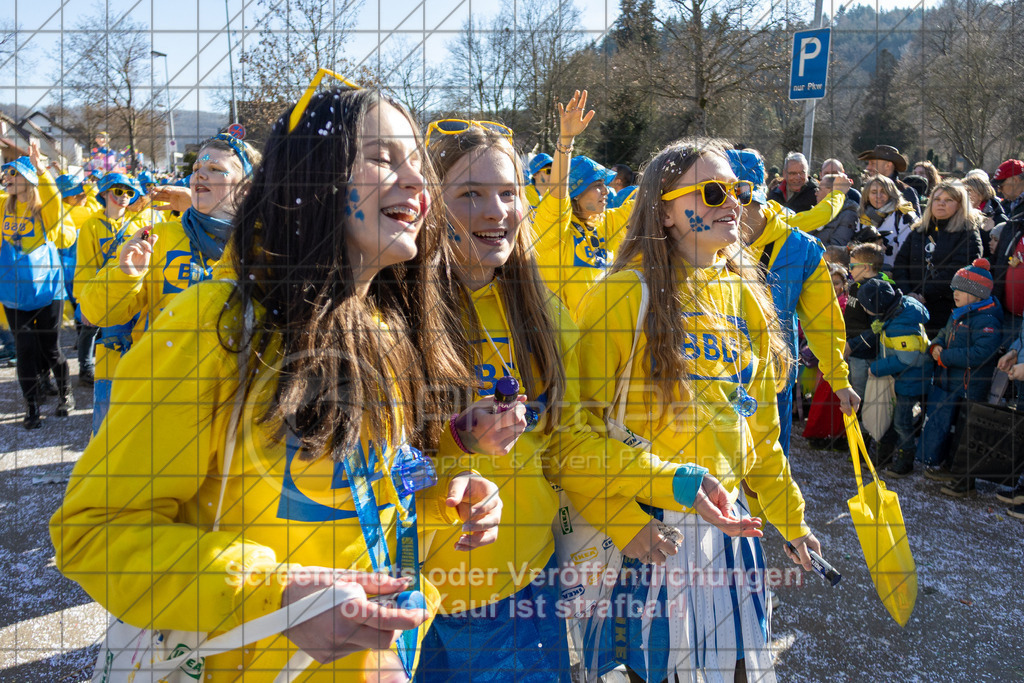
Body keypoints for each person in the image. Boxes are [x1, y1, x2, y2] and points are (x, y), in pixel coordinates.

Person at [53, 83, 506, 682]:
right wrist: (279, 597)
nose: (419, 186)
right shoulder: (211, 330)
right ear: (312, 177)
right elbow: (93, 532)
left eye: (417, 165)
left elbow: (351, 505)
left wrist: (442, 499)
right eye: (382, 158)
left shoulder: (387, 330)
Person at [418, 93, 752, 682]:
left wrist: (673, 479)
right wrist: (454, 451)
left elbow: (570, 442)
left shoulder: (543, 315)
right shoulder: (388, 318)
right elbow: (355, 472)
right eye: (470, 193)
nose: (495, 211)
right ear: (426, 202)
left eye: (507, 193)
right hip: (409, 601)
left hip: (522, 593)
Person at [577, 137, 821, 683]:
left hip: (730, 538)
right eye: (712, 191)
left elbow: (759, 433)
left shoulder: (744, 299)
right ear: (664, 210)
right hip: (648, 539)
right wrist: (622, 521)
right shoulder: (621, 297)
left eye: (737, 190)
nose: (733, 203)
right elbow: (571, 431)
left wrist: (792, 520)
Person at [79, 133, 261, 432]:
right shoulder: (157, 237)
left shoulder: (261, 246)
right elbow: (96, 313)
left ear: (247, 189)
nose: (200, 172)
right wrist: (126, 274)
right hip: (160, 398)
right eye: (196, 169)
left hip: (233, 403)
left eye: (216, 169)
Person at [730, 147, 860, 455]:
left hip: (772, 379)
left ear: (751, 195)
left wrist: (839, 378)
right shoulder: (700, 242)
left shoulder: (800, 247)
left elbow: (822, 321)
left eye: (730, 198)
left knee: (767, 477)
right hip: (711, 375)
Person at [0, 143, 77, 428]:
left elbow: (55, 202)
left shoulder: (43, 208)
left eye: (13, 173)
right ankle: (31, 406)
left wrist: (42, 170)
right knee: (24, 349)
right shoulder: (2, 205)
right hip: (15, 292)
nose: (6, 177)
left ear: (28, 180)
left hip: (47, 290)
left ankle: (65, 394)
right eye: (5, 172)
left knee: (51, 349)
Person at [533, 100, 634, 314]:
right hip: (565, 343)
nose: (606, 191)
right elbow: (558, 192)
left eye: (604, 185)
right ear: (576, 193)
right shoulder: (554, 230)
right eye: (597, 186)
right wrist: (566, 140)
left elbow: (644, 203)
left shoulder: (605, 222)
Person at [914, 259, 1003, 494]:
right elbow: (943, 333)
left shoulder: (988, 320)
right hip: (948, 383)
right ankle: (944, 465)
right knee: (945, 426)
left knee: (963, 432)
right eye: (955, 289)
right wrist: (935, 346)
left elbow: (979, 354)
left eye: (961, 290)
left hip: (969, 388)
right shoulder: (959, 313)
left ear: (977, 294)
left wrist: (946, 357)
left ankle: (961, 475)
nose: (955, 294)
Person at [73, 172, 145, 391]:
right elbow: (85, 266)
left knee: (126, 338)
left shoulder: (137, 225)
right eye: (118, 191)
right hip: (100, 292)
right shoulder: (91, 226)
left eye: (129, 192)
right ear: (104, 193)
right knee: (90, 331)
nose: (124, 196)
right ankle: (86, 368)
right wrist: (84, 303)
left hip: (129, 295)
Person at [856, 278, 932, 478]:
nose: (864, 310)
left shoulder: (900, 326)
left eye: (866, 306)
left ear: (877, 306)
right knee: (891, 417)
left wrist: (877, 367)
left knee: (901, 421)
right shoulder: (898, 311)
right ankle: (884, 456)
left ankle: (906, 460)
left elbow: (907, 358)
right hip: (904, 377)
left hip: (911, 380)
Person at [893, 180, 984, 337]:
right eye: (937, 199)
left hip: (946, 311)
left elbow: (957, 272)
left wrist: (923, 294)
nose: (941, 204)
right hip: (911, 306)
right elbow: (900, 264)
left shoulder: (968, 234)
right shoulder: (919, 230)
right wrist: (909, 293)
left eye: (948, 200)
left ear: (960, 204)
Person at [803, 262, 850, 449]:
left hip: (838, 354)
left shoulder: (845, 303)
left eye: (838, 282)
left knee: (834, 398)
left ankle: (836, 435)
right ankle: (818, 433)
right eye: (830, 282)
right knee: (822, 397)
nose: (835, 287)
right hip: (825, 353)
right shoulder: (821, 301)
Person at [844, 243, 889, 405]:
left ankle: (860, 427)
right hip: (852, 349)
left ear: (866, 267)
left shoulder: (875, 290)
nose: (849, 270)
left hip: (864, 354)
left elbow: (876, 328)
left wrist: (852, 345)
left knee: (859, 393)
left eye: (852, 266)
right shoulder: (858, 285)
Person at [988, 159, 1024, 344]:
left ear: (1017, 179)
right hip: (1008, 302)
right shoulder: (1011, 206)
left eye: (1001, 185)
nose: (999, 190)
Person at [858, 174, 918, 270]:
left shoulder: (904, 215)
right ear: (867, 195)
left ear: (892, 194)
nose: (878, 196)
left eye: (883, 192)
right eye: (874, 192)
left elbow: (909, 252)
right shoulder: (862, 217)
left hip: (895, 274)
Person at [857, 144, 921, 213]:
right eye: (868, 164)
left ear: (888, 165)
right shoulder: (868, 189)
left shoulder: (906, 191)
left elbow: (913, 222)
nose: (868, 168)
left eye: (873, 163)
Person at [962, 169, 1006, 258]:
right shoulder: (959, 214)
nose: (964, 195)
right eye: (963, 192)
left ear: (981, 193)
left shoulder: (998, 218)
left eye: (969, 191)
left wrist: (988, 232)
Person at [810, 174, 860, 246]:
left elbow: (837, 248)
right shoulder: (819, 209)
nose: (816, 193)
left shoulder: (848, 214)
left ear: (831, 191)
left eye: (819, 189)